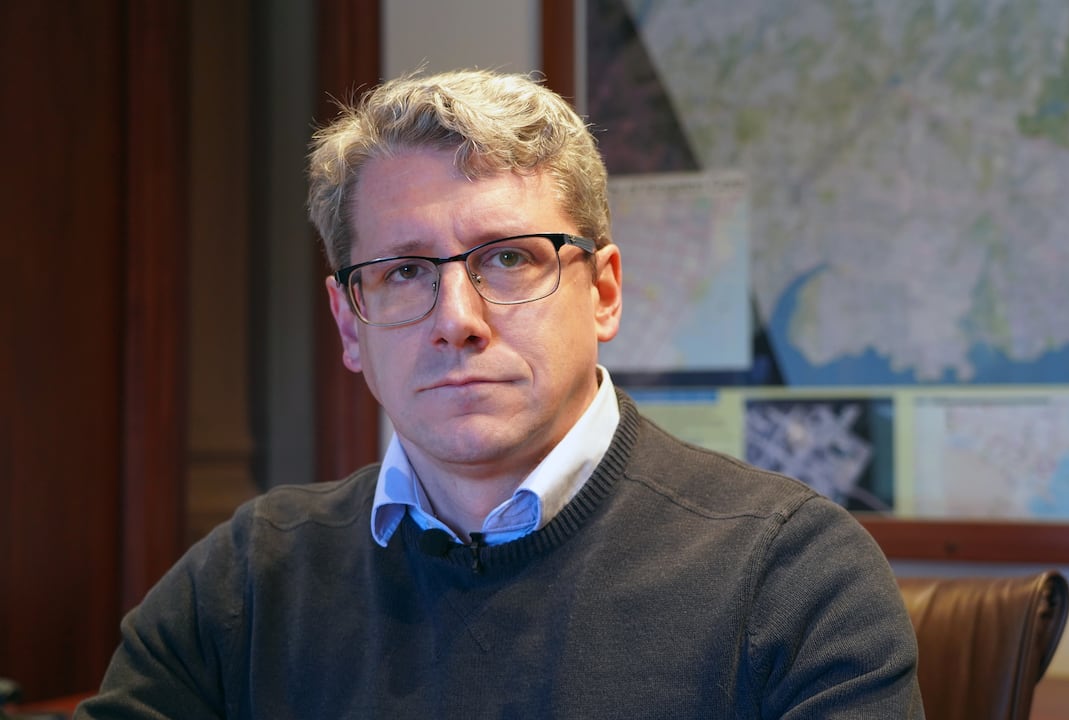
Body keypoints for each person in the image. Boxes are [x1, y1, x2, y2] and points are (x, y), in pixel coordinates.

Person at [77, 68, 924, 719]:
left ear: (602, 292)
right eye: (404, 271)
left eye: (509, 258)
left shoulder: (791, 574)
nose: (458, 320)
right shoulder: (251, 579)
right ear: (348, 322)